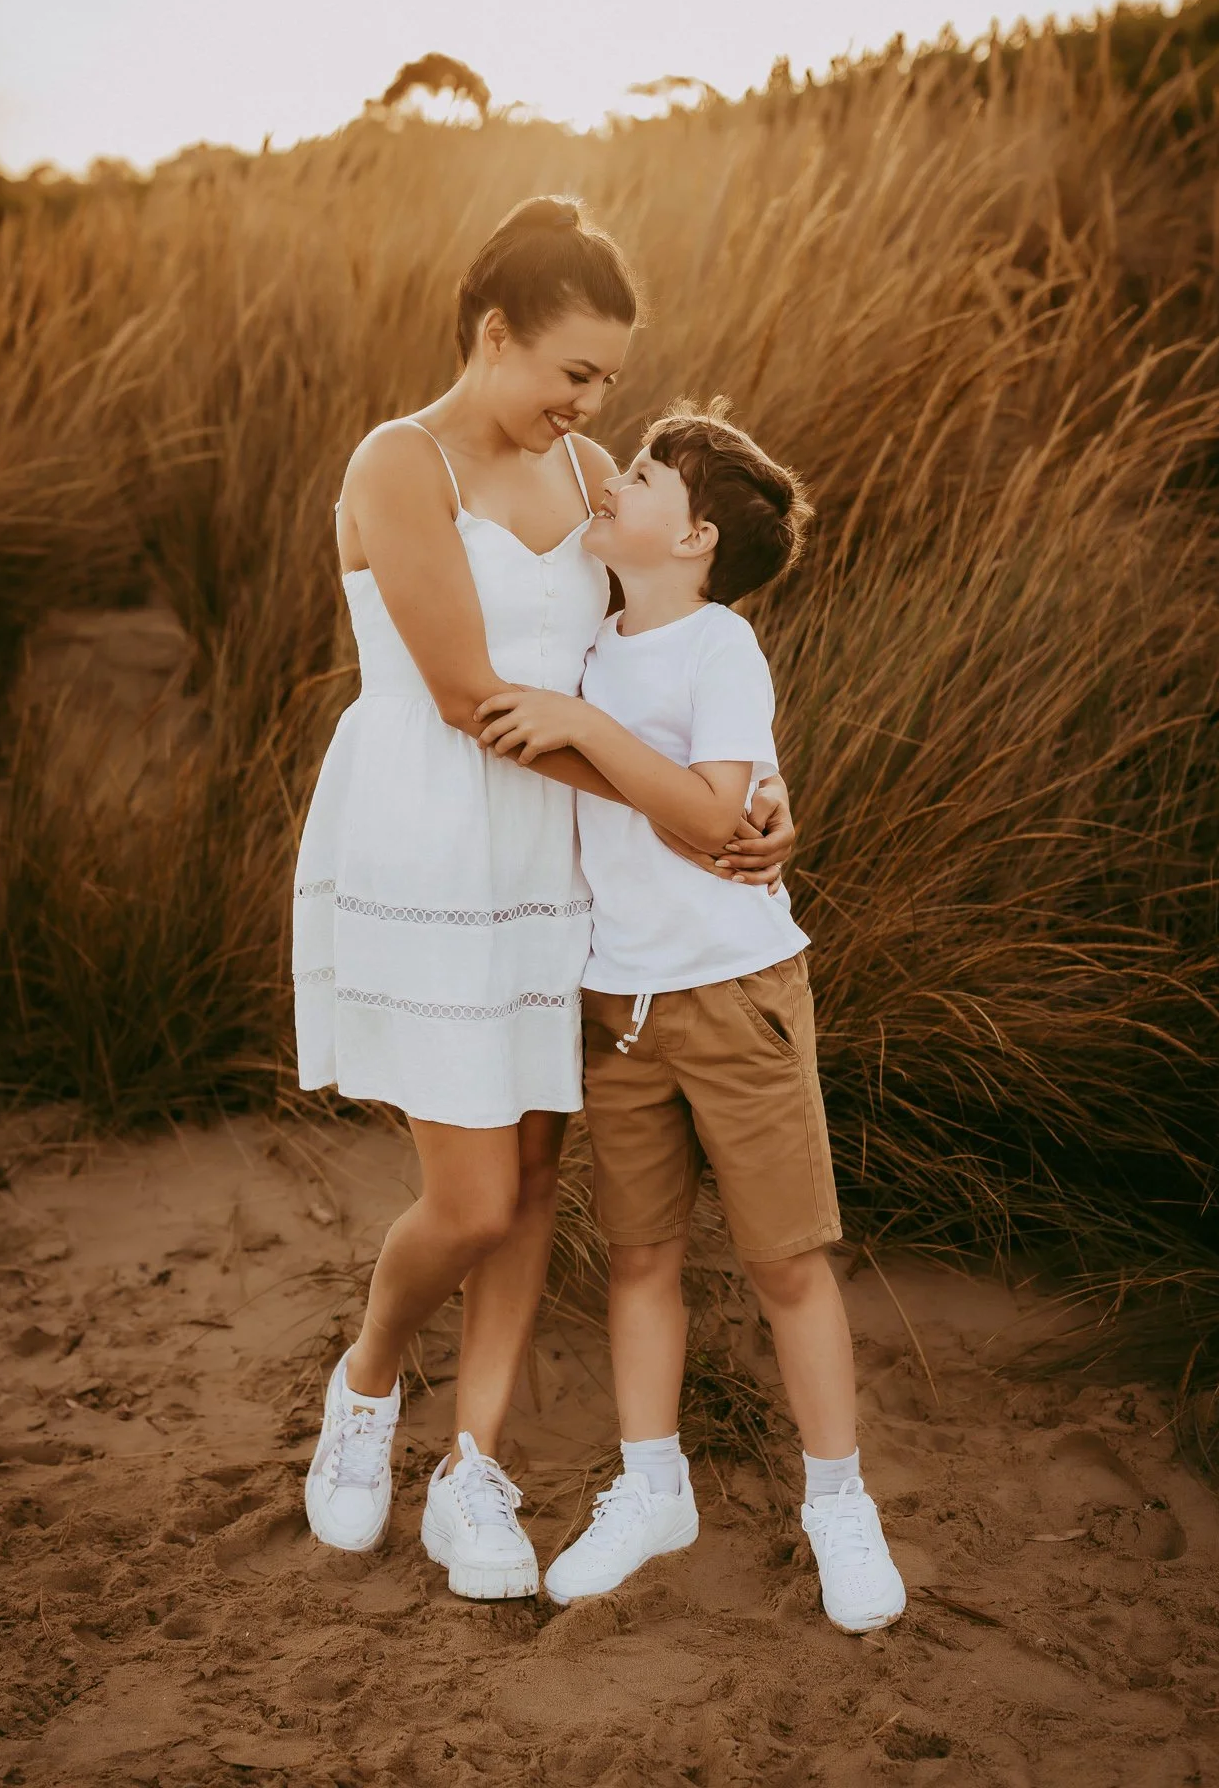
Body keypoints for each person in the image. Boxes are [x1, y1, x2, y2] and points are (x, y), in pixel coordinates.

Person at [292, 201, 797, 1600]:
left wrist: (751, 795)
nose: (588, 404)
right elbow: (473, 700)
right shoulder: (398, 463)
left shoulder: (590, 477)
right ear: (492, 331)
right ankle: (366, 1385)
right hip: (432, 839)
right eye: (570, 370)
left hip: (560, 857)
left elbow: (643, 667)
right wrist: (693, 818)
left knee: (528, 1177)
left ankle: (475, 1468)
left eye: (608, 385)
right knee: (462, 1196)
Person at [477, 401, 906, 1633]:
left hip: (734, 995)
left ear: (698, 536)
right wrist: (580, 713)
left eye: (650, 471)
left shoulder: (718, 646)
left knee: (784, 1260)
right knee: (641, 1254)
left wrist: (594, 731)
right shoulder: (591, 644)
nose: (621, 475)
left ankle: (837, 1498)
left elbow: (722, 815)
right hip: (619, 1003)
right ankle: (652, 1481)